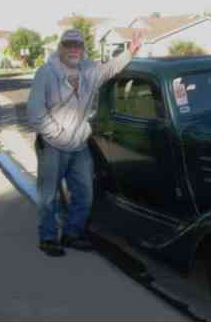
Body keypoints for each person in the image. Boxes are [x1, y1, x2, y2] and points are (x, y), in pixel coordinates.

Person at [27, 28, 142, 257]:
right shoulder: (46, 73)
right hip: (53, 145)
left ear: (83, 48)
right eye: (68, 45)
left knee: (85, 193)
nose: (73, 49)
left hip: (79, 145)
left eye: (77, 45)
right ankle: (48, 238)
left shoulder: (89, 71)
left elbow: (110, 69)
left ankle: (72, 233)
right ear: (60, 48)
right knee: (49, 196)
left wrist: (130, 51)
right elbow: (35, 113)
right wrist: (57, 133)